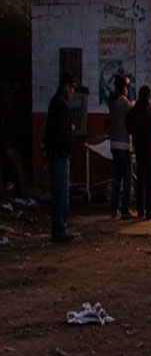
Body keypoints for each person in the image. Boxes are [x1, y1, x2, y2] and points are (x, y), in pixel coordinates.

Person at [44, 73, 76, 243]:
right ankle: (59, 230)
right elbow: (62, 133)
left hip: (57, 154)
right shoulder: (61, 106)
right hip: (60, 155)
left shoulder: (55, 103)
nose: (72, 92)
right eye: (71, 88)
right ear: (65, 86)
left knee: (60, 194)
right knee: (61, 195)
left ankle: (60, 228)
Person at [127, 85, 151, 220]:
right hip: (149, 147)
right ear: (148, 96)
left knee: (140, 177)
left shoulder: (134, 110)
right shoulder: (148, 110)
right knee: (149, 177)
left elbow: (129, 126)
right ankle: (149, 208)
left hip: (138, 146)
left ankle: (140, 208)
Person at [108, 73, 134, 220]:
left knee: (117, 177)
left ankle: (113, 208)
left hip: (114, 143)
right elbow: (132, 110)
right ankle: (125, 208)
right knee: (127, 177)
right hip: (124, 144)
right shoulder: (124, 102)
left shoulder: (112, 101)